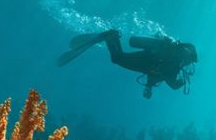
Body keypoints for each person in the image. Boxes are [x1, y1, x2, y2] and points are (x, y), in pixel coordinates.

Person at [57, 29, 197, 98]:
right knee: (118, 58)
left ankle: (111, 37)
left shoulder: (174, 65)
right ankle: (111, 36)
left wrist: (148, 88)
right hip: (147, 60)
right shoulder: (175, 64)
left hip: (147, 62)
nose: (187, 68)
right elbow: (169, 79)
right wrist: (178, 84)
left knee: (117, 58)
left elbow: (158, 76)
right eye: (189, 64)